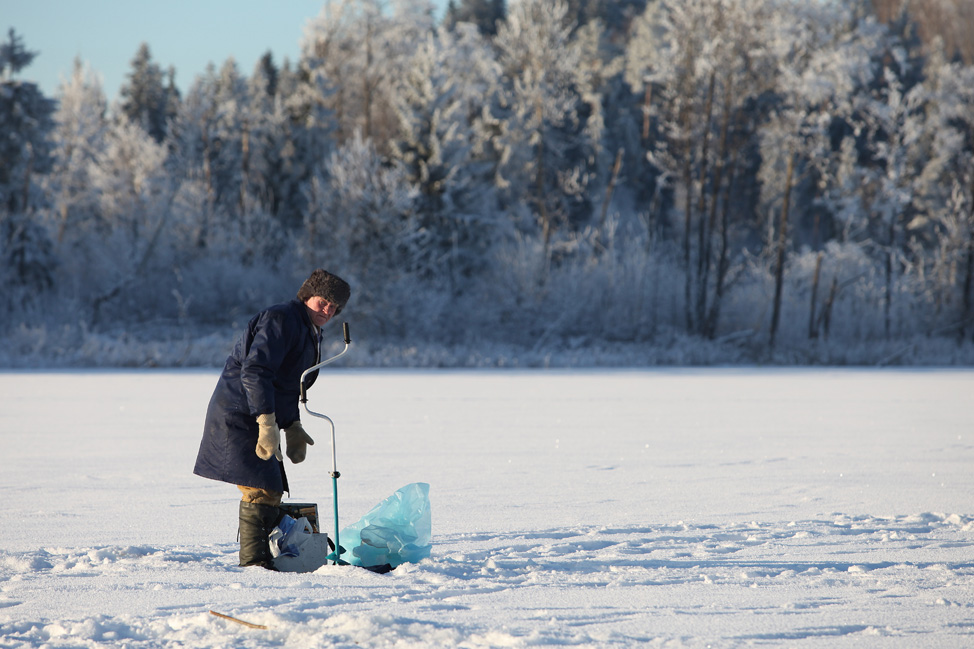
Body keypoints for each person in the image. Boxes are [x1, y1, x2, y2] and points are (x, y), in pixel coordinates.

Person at [193, 269, 351, 569]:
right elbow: (255, 371)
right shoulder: (282, 319)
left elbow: (290, 382)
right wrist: (266, 421)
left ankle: (264, 558)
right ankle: (254, 565)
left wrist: (291, 424)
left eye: (334, 307)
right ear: (307, 296)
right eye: (323, 302)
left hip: (256, 412)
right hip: (240, 412)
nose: (328, 310)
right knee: (261, 487)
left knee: (269, 488)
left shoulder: (308, 329)